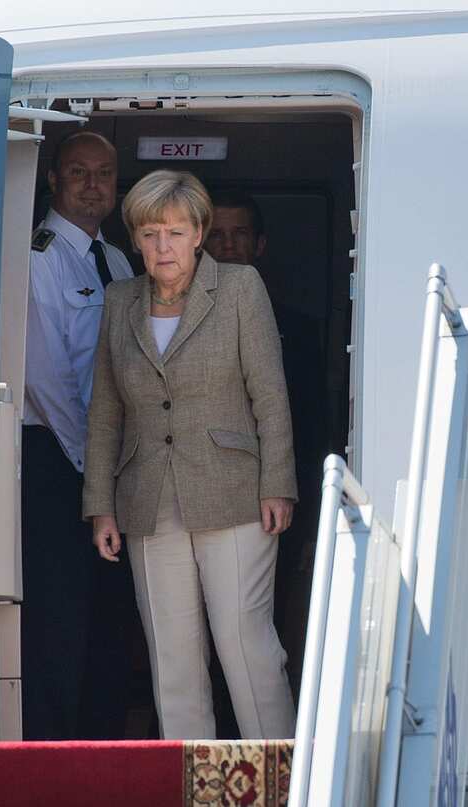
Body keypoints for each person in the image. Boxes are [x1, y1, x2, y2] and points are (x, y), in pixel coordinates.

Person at [84, 170, 298, 740]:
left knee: (246, 646)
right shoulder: (120, 299)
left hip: (234, 494)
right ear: (134, 239)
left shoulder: (239, 287)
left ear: (199, 233)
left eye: (175, 232)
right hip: (148, 501)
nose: (162, 247)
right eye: (150, 233)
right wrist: (100, 506)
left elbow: (270, 394)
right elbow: (106, 411)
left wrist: (278, 482)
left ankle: (282, 778)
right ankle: (196, 786)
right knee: (172, 661)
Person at [21, 130, 136, 740]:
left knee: (110, 619)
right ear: (54, 181)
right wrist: (93, 472)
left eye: (103, 174)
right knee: (61, 618)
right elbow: (46, 380)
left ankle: (106, 750)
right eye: (78, 174)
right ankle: (55, 756)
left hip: (109, 462)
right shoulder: (39, 256)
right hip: (58, 459)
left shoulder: (117, 260)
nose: (92, 186)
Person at [205, 191, 329, 679]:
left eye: (239, 234)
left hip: (276, 501)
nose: (228, 244)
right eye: (217, 233)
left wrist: (309, 511)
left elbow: (313, 423)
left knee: (260, 629)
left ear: (260, 245)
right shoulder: (161, 315)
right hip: (198, 497)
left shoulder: (296, 329)